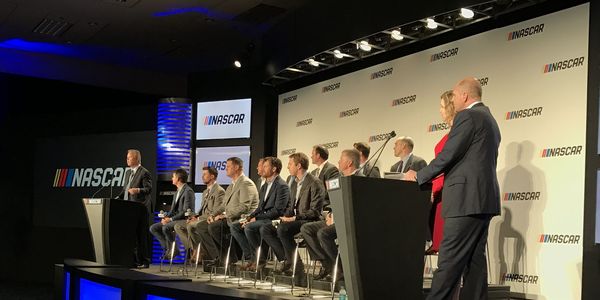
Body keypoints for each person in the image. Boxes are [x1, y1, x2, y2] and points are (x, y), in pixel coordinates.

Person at [404, 77, 501, 300]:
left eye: (455, 96)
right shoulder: (490, 119)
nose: (453, 100)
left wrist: (418, 176)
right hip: (483, 201)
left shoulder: (468, 116)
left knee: (449, 263)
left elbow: (448, 155)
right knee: (475, 266)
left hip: (465, 201)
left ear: (464, 96)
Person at [300, 149, 362, 282]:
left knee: (323, 234)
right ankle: (328, 265)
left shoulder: (360, 179)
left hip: (350, 221)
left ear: (349, 163)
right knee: (307, 229)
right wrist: (331, 214)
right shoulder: (340, 178)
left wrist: (337, 217)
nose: (338, 161)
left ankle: (340, 268)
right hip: (336, 219)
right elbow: (335, 200)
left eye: (341, 159)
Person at [260, 152, 324, 279]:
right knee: (266, 228)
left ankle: (297, 266)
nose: (288, 167)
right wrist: (283, 217)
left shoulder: (314, 182)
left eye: (290, 164)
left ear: (298, 166)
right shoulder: (293, 182)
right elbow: (291, 206)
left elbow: (314, 212)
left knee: (283, 229)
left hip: (307, 220)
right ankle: (286, 259)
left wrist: (294, 218)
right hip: (293, 219)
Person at [232, 157, 290, 271]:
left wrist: (256, 218)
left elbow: (277, 211)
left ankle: (260, 259)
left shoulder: (281, 186)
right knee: (235, 226)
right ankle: (252, 258)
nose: (262, 168)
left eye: (265, 166)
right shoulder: (265, 186)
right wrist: (249, 217)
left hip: (274, 219)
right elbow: (260, 207)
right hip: (263, 218)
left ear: (273, 169)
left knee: (249, 227)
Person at [199, 157, 259, 266]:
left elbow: (244, 207)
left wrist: (225, 216)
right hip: (230, 218)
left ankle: (230, 257)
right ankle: (221, 256)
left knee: (214, 227)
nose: (226, 169)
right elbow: (223, 205)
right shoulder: (232, 185)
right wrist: (213, 215)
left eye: (228, 166)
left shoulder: (246, 183)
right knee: (202, 226)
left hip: (241, 218)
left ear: (236, 167)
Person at [426, 91, 457, 255]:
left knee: (448, 246)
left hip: (447, 192)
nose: (440, 110)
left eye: (442, 106)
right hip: (439, 192)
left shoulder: (457, 133)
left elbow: (445, 165)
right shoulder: (451, 133)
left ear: (450, 107)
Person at [174, 166, 225, 261]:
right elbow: (201, 211)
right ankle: (196, 249)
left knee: (191, 226)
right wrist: (194, 216)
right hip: (201, 219)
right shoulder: (205, 191)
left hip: (209, 220)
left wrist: (198, 219)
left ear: (212, 176)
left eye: (205, 174)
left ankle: (199, 252)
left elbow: (215, 211)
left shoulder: (219, 191)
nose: (202, 176)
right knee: (178, 226)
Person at [116, 149, 152, 268]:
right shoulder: (127, 173)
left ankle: (145, 261)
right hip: (129, 208)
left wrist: (138, 190)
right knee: (132, 236)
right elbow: (125, 190)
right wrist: (117, 197)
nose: (127, 159)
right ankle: (135, 261)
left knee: (141, 235)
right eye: (127, 157)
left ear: (137, 159)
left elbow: (148, 189)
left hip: (140, 208)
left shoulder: (144, 172)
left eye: (129, 157)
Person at [149, 168, 194, 259]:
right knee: (153, 228)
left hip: (184, 220)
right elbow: (173, 211)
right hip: (174, 219)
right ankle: (169, 249)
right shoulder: (177, 192)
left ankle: (173, 250)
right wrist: (166, 216)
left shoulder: (188, 191)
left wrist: (170, 219)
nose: (172, 178)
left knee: (166, 227)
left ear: (179, 178)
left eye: (173, 177)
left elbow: (185, 211)